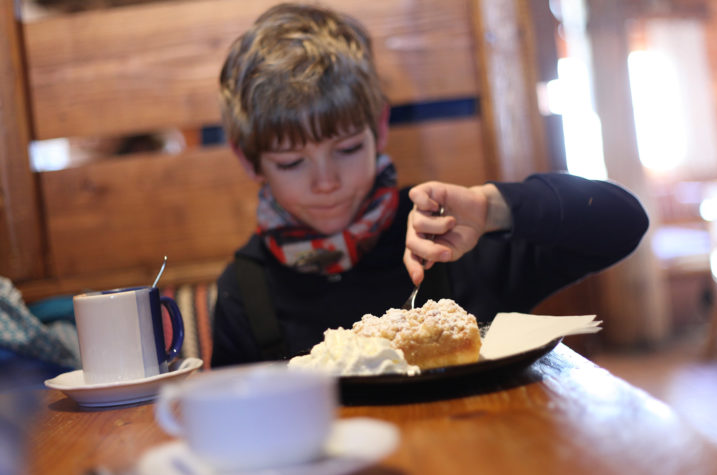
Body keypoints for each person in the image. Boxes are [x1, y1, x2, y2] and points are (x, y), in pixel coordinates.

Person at [211, 2, 649, 367]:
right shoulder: (246, 289)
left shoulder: (444, 235)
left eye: (346, 150)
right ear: (249, 160)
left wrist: (495, 207)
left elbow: (623, 222)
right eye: (291, 162)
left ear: (379, 129)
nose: (326, 182)